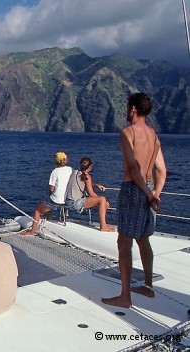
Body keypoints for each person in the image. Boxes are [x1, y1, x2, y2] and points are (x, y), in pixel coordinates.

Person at [102, 92, 167, 308]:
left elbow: (132, 167)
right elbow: (162, 171)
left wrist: (148, 195)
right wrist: (155, 194)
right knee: (143, 239)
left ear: (132, 109)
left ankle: (125, 296)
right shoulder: (154, 136)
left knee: (124, 242)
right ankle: (148, 287)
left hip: (133, 189)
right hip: (148, 188)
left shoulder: (128, 133)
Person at [23, 152, 73, 236]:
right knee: (51, 201)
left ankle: (32, 232)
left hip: (57, 200)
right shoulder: (71, 169)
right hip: (68, 199)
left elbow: (51, 189)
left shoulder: (55, 171)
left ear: (56, 161)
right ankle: (50, 216)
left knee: (37, 211)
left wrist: (51, 195)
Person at [65, 157, 116, 232]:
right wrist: (104, 203)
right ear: (90, 166)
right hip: (75, 203)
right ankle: (103, 227)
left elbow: (82, 183)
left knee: (100, 200)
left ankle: (104, 225)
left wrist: (95, 185)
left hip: (68, 201)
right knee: (102, 199)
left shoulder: (75, 172)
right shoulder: (87, 176)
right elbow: (91, 194)